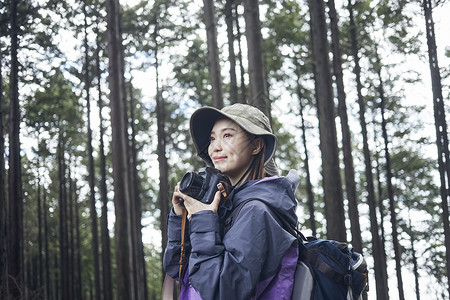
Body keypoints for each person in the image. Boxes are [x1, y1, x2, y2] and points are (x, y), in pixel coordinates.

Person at [163, 104, 299, 299]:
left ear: (256, 145)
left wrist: (203, 219)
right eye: (212, 138)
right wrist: (181, 218)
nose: (215, 147)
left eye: (227, 135)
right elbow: (180, 271)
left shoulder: (257, 210)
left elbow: (222, 292)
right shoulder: (225, 207)